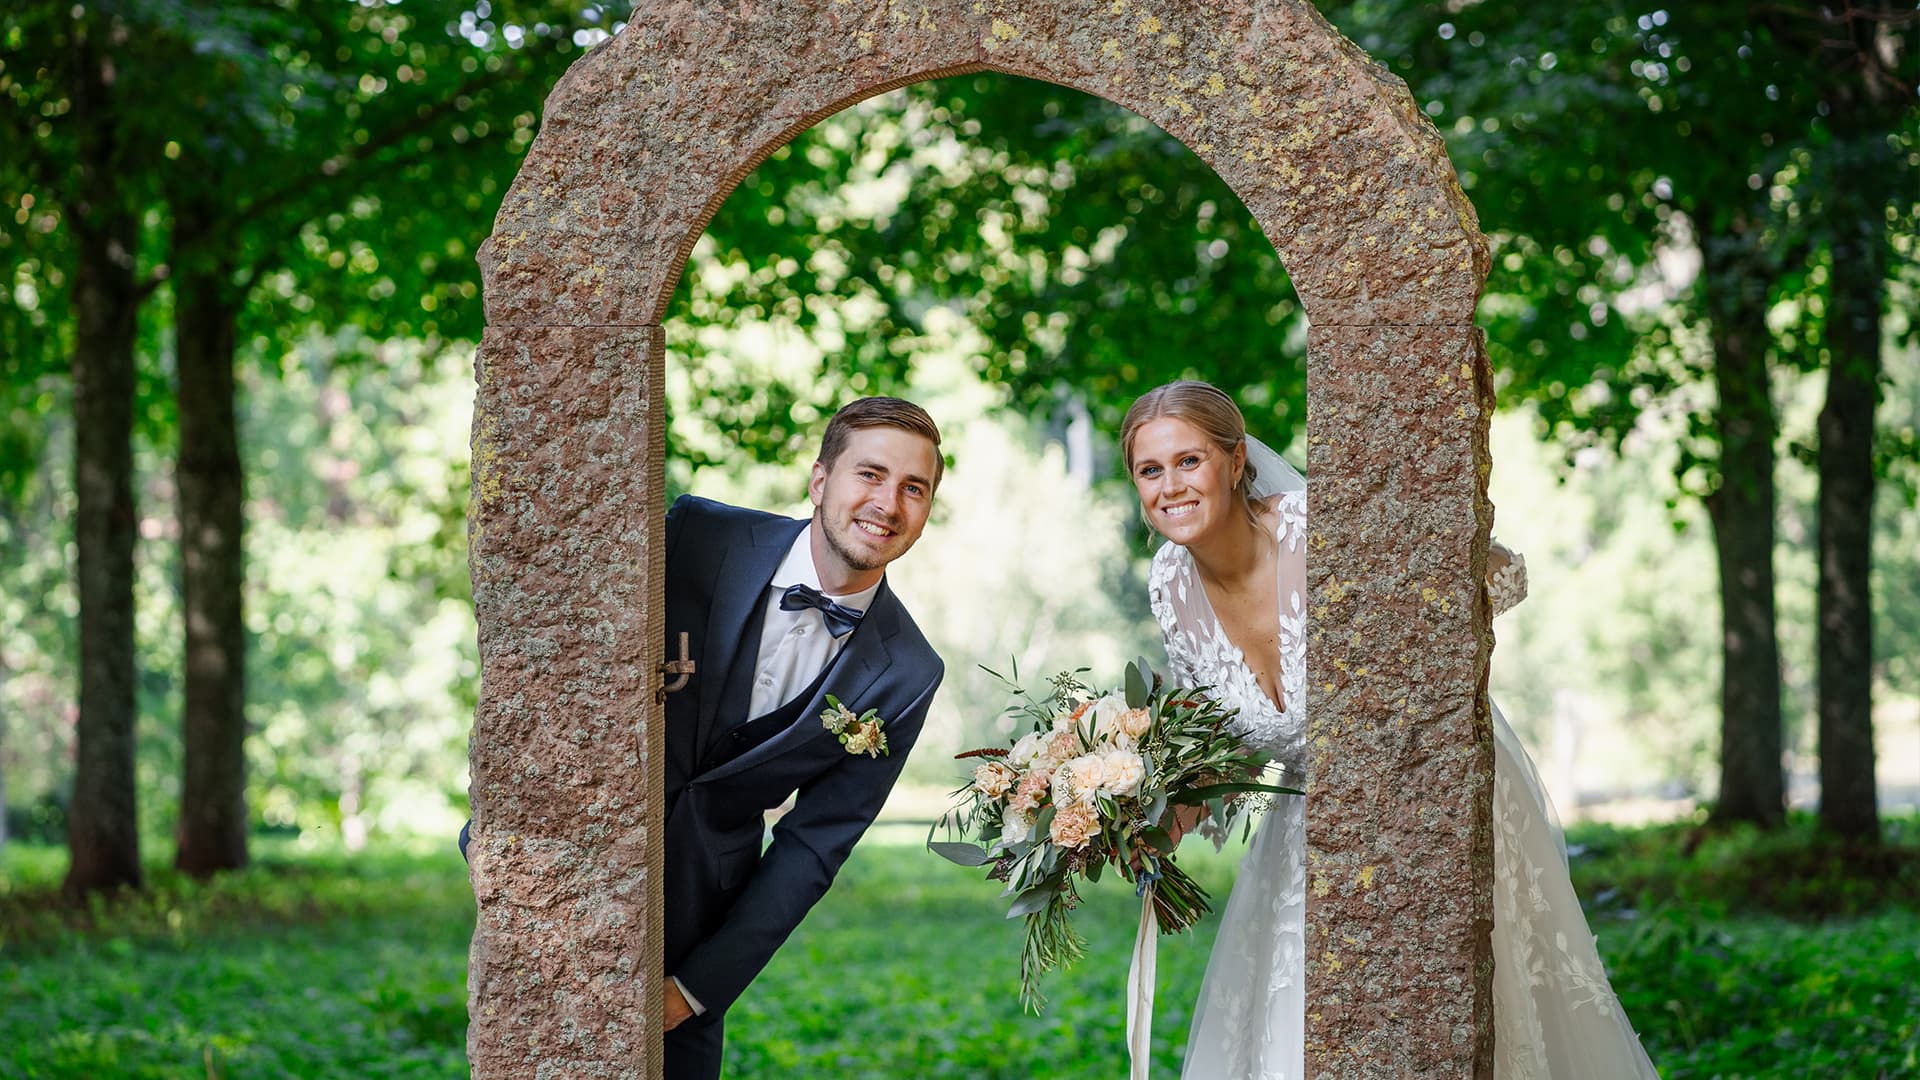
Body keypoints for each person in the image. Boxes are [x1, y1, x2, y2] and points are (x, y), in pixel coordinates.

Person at [1120, 380, 1659, 1079]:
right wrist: (1142, 815)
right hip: (1311, 830)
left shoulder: (1318, 527)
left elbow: (1490, 574)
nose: (1171, 486)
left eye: (1188, 461)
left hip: (1430, 790)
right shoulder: (1170, 582)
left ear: (1234, 459)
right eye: (1150, 470)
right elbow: (1229, 743)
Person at [463, 396, 946, 1080]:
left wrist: (695, 990)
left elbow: (813, 848)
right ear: (820, 481)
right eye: (869, 474)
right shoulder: (698, 535)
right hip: (561, 871)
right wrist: (494, 840)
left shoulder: (909, 672)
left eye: (913, 488)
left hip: (693, 935)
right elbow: (558, 650)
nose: (888, 503)